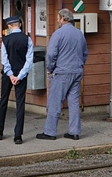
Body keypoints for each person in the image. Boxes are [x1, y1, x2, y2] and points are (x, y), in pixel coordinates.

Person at [37, 8, 88, 142]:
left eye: (58, 18)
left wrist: (50, 68)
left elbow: (51, 55)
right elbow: (84, 53)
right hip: (77, 71)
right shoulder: (79, 34)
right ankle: (74, 132)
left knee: (55, 102)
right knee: (73, 102)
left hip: (61, 72)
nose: (58, 21)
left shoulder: (58, 34)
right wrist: (80, 65)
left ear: (62, 19)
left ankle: (50, 132)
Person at [0, 15, 33, 144]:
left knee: (3, 100)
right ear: (20, 25)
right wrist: (20, 76)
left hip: (8, 75)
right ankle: (18, 135)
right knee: (20, 103)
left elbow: (4, 60)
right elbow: (29, 61)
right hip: (21, 75)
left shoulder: (5, 40)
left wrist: (11, 75)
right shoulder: (27, 39)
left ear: (10, 26)